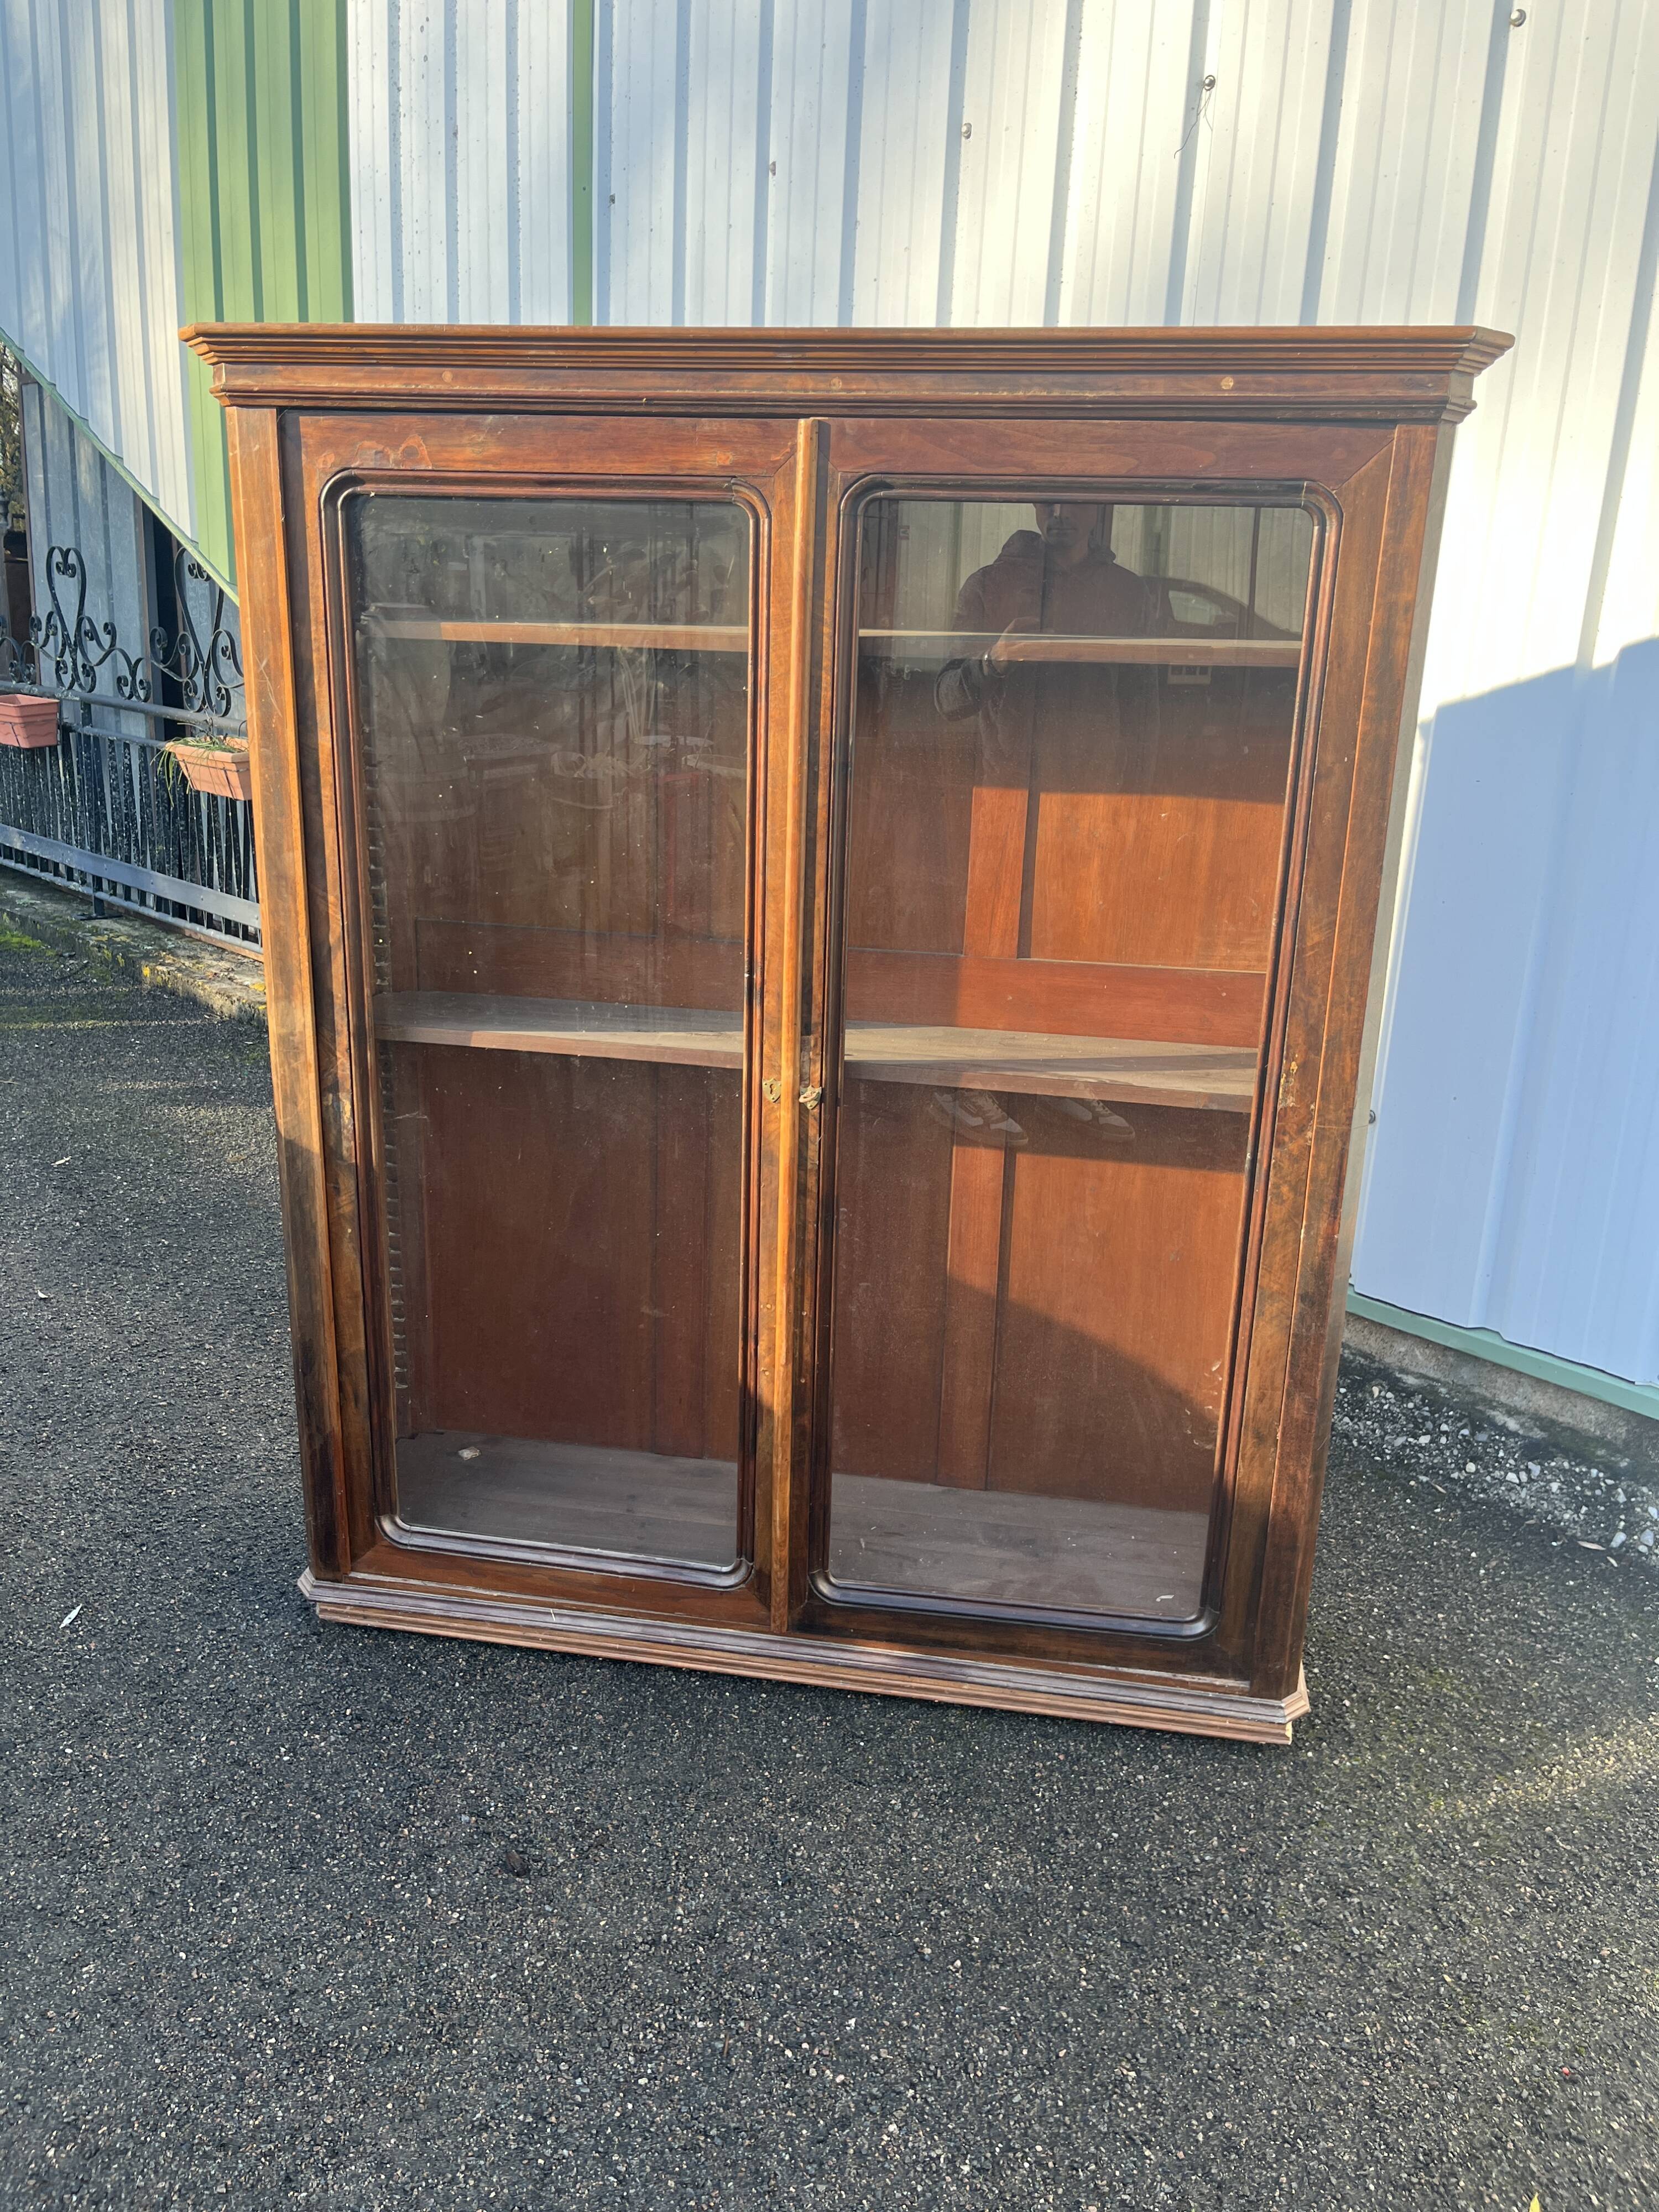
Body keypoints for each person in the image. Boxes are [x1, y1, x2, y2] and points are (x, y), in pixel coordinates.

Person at [934, 500, 1157, 737]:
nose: (1060, 513)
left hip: (1098, 771)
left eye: (1077, 502)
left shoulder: (1127, 591)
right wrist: (995, 659)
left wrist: (1140, 774)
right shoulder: (989, 586)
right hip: (1010, 772)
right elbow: (948, 703)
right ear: (1034, 504)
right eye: (1048, 502)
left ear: (1097, 505)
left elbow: (1143, 710)